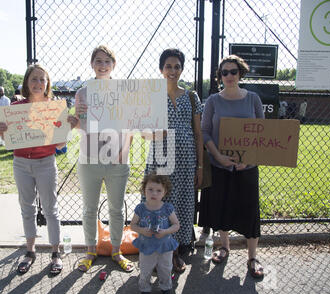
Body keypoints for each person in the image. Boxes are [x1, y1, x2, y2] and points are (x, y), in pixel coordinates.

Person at [68, 45, 134, 273]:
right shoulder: (83, 93)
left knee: (116, 209)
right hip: (89, 159)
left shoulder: (123, 91)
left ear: (114, 65)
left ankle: (117, 250)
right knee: (89, 209)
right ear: (92, 64)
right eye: (98, 61)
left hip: (117, 160)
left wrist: (122, 153)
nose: (103, 65)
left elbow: (129, 127)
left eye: (107, 61)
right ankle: (90, 251)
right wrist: (72, 119)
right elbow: (80, 126)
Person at [0, 64, 66, 276]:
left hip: (46, 162)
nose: (38, 83)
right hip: (21, 163)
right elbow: (10, 140)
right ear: (27, 82)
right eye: (34, 79)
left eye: (42, 79)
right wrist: (1, 132)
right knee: (27, 207)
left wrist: (66, 126)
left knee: (50, 208)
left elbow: (61, 146)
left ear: (47, 84)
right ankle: (30, 251)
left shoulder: (54, 107)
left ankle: (55, 252)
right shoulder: (17, 108)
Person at [199, 54, 265, 279]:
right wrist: (217, 155)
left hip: (247, 167)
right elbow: (205, 131)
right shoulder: (213, 101)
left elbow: (261, 132)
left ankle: (252, 257)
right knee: (222, 206)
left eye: (233, 71)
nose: (228, 75)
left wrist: (250, 157)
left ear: (240, 73)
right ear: (220, 76)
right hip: (221, 166)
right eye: (224, 72)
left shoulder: (253, 99)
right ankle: (224, 246)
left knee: (249, 210)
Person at [143, 48, 204, 273]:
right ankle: (156, 255)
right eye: (168, 66)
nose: (172, 70)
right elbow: (143, 132)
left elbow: (198, 133)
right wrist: (155, 134)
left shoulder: (191, 96)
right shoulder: (151, 97)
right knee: (159, 203)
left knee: (181, 205)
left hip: (187, 163)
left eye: (177, 66)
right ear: (161, 69)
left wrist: (200, 165)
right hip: (160, 160)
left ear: (181, 69)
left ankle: (176, 252)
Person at [130, 172, 179, 294]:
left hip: (165, 246)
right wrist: (142, 230)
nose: (154, 193)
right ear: (144, 190)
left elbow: (176, 225)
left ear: (164, 192)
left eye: (158, 190)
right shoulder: (140, 208)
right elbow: (133, 225)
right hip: (147, 246)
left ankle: (166, 288)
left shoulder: (167, 208)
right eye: (150, 189)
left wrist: (165, 231)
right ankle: (145, 289)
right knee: (145, 269)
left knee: (165, 269)